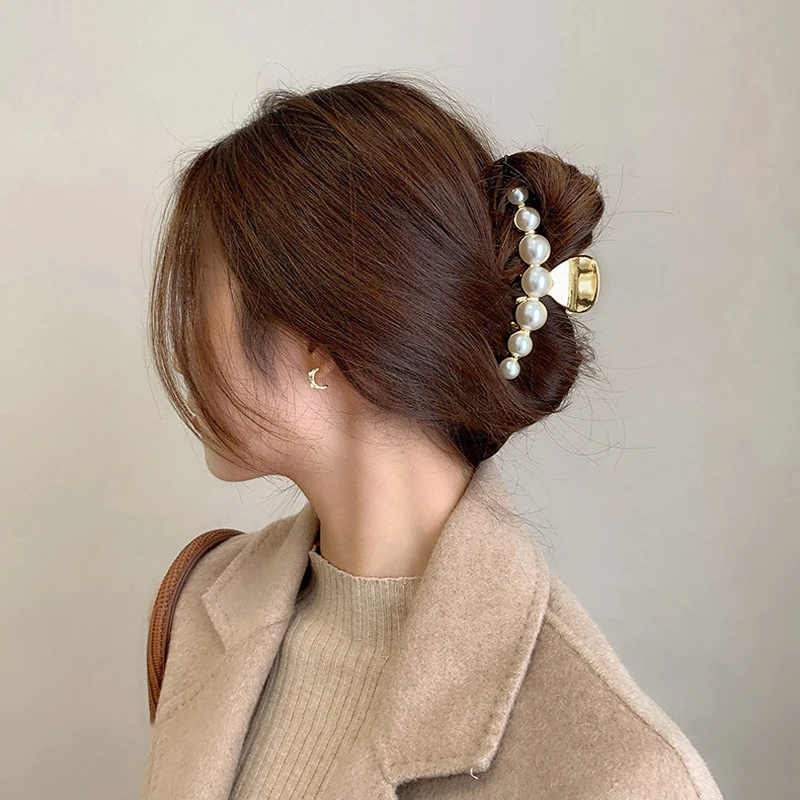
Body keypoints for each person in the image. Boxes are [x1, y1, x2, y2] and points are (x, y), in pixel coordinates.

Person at [140, 75, 724, 799]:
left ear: (320, 338)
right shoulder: (201, 606)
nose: (183, 349)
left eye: (197, 299)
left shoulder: (623, 774)